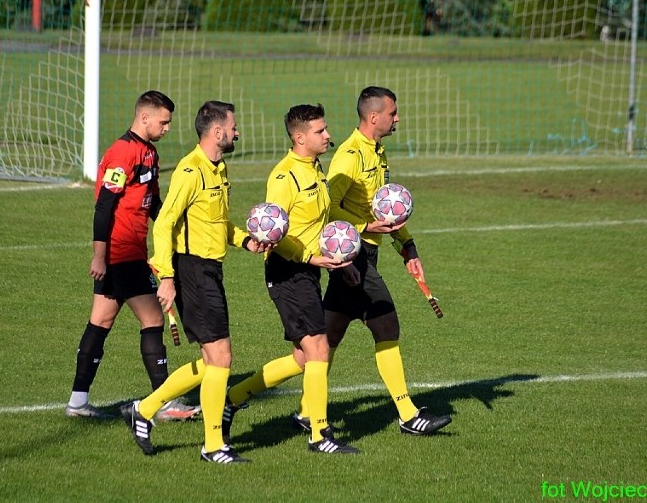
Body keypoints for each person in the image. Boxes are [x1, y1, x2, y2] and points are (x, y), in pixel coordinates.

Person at [121, 100, 267, 464]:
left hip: (211, 270)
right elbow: (166, 221)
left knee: (211, 360)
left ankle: (144, 409)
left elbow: (218, 222)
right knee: (221, 357)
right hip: (191, 271)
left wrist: (245, 240)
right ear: (217, 132)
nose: (237, 132)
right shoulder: (191, 170)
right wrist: (167, 277)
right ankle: (213, 446)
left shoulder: (219, 168)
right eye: (233, 127)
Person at [302, 86, 451, 436]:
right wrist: (365, 226)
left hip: (367, 254)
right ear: (374, 117)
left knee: (328, 338)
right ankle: (408, 414)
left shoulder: (377, 152)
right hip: (352, 257)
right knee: (386, 325)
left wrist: (407, 247)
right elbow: (329, 209)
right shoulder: (350, 155)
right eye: (393, 112)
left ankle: (306, 411)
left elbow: (385, 209)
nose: (397, 118)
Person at [221, 104, 359, 455]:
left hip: (310, 271)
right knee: (319, 349)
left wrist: (340, 257)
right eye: (320, 131)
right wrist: (311, 257)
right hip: (287, 271)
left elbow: (319, 220)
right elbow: (273, 235)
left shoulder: (315, 168)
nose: (328, 135)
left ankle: (232, 399)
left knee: (302, 359)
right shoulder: (284, 177)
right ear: (300, 137)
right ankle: (319, 434)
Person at [65, 90, 199, 422]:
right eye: (163, 122)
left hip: (130, 252)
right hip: (122, 252)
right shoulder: (122, 152)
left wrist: (177, 229)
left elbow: (154, 205)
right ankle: (164, 402)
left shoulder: (149, 154)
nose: (167, 128)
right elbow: (104, 205)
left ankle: (77, 402)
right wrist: (99, 256)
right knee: (152, 319)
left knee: (101, 321)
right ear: (144, 117)